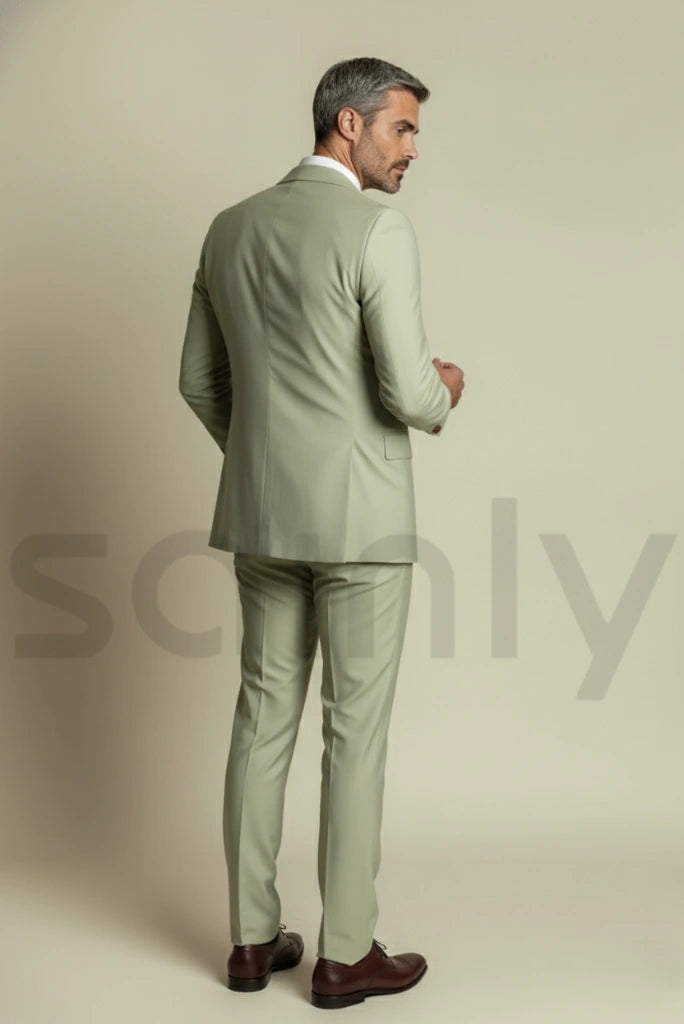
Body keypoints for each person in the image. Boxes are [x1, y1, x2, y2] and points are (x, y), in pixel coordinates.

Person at [179, 55, 465, 1010]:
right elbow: (409, 392)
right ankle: (345, 954)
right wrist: (448, 389)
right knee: (355, 734)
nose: (411, 148)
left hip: (261, 514)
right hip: (363, 524)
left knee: (262, 719)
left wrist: (262, 456)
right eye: (402, 127)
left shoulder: (229, 229)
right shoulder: (377, 230)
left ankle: (251, 940)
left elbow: (198, 381)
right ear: (349, 123)